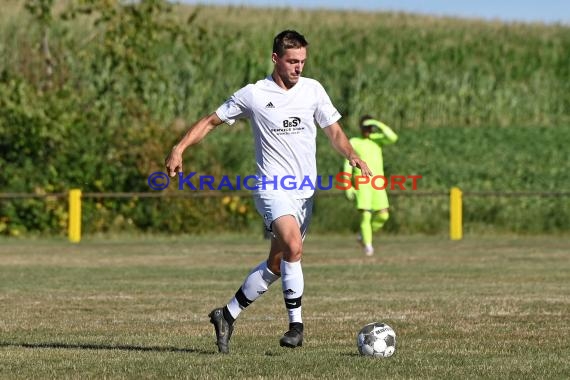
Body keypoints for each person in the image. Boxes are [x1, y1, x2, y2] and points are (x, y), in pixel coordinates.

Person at [164, 30, 371, 354]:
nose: (298, 67)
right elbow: (210, 121)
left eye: (302, 61)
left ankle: (226, 315)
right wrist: (179, 148)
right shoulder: (253, 94)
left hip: (304, 192)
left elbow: (334, 132)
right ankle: (296, 326)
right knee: (292, 245)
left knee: (278, 263)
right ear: (275, 59)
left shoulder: (313, 90)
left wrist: (351, 154)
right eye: (292, 61)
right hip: (271, 186)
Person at [343, 115, 398, 256]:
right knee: (366, 216)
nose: (368, 130)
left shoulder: (377, 140)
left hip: (378, 183)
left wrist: (377, 122)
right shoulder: (354, 141)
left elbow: (393, 137)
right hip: (362, 183)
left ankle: (364, 234)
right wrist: (347, 185)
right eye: (365, 127)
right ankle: (368, 246)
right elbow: (348, 165)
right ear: (360, 128)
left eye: (370, 127)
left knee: (384, 215)